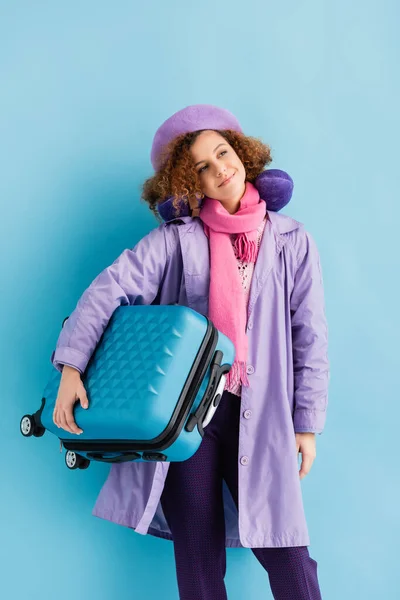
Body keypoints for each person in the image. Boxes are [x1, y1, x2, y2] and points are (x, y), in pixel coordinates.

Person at [52, 104, 329, 600]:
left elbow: (309, 336)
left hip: (261, 412)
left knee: (287, 549)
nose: (219, 168)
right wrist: (72, 366)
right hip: (188, 417)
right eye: (201, 165)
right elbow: (108, 290)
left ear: (242, 154)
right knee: (197, 555)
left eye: (222, 152)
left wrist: (306, 423)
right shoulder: (174, 240)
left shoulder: (292, 241)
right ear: (189, 179)